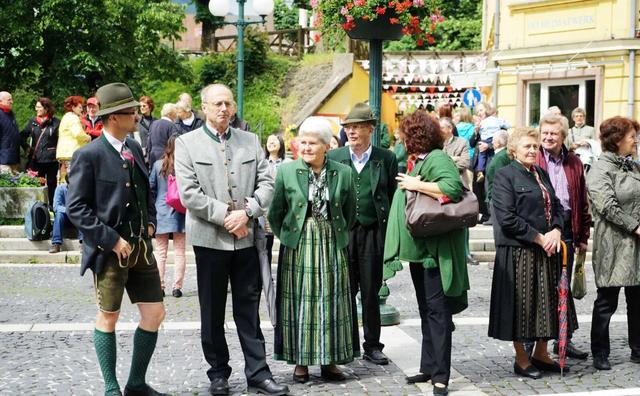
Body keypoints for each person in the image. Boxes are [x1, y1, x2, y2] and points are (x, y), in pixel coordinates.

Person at [174, 84, 288, 396]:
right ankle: (218, 373)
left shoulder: (250, 141)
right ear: (204, 107)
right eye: (217, 104)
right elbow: (189, 194)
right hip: (210, 239)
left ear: (234, 107)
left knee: (249, 309)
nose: (224, 109)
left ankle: (258, 372)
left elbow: (268, 181)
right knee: (211, 310)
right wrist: (228, 215)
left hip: (247, 239)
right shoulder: (186, 143)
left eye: (228, 103)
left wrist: (248, 211)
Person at [66, 82, 167, 396]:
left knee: (155, 313)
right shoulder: (88, 155)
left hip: (142, 248)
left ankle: (136, 383)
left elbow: (145, 190)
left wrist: (150, 222)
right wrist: (111, 240)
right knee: (109, 316)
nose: (137, 115)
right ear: (112, 118)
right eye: (131, 111)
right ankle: (111, 387)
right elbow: (76, 208)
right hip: (109, 251)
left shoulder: (134, 147)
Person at [384, 110, 469, 395]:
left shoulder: (437, 158)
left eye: (404, 133)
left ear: (415, 135)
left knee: (437, 313)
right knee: (426, 311)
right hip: (424, 250)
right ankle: (429, 365)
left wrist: (415, 184)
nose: (400, 138)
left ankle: (441, 376)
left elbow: (453, 188)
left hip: (436, 251)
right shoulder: (419, 159)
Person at [269, 116, 359, 383]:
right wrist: (289, 234)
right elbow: (275, 212)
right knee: (300, 300)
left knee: (332, 299)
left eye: (312, 143)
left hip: (332, 242)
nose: (305, 148)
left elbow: (350, 212)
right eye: (302, 142)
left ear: (326, 146)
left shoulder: (343, 172)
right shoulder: (286, 171)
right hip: (299, 244)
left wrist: (334, 230)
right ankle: (301, 362)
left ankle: (330, 360)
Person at [488, 127, 578, 380]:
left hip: (545, 251)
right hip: (519, 253)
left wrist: (557, 231)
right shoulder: (505, 175)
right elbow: (506, 218)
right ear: (513, 149)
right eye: (526, 146)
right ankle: (522, 358)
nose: (532, 150)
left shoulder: (540, 173)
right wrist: (539, 237)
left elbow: (559, 206)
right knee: (521, 307)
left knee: (545, 306)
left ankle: (541, 353)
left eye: (534, 146)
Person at [327, 102, 398, 366]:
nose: (352, 132)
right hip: (343, 233)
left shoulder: (386, 158)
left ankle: (372, 346)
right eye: (348, 128)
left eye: (357, 127)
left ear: (371, 129)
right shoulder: (335, 157)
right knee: (344, 291)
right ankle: (346, 345)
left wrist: (391, 235)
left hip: (373, 232)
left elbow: (392, 196)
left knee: (371, 292)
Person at [535, 113, 591, 360]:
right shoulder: (533, 158)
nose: (548, 137)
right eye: (544, 132)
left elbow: (582, 201)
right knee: (540, 288)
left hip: (567, 229)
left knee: (563, 287)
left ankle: (563, 340)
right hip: (541, 231)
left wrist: (583, 236)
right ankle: (536, 344)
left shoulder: (574, 163)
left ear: (563, 136)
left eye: (553, 133)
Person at [586, 116, 640, 371]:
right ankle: (599, 351)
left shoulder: (632, 167)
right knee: (607, 301)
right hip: (613, 244)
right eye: (632, 136)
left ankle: (638, 349)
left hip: (636, 245)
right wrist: (635, 225)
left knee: (638, 299)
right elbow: (606, 205)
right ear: (617, 140)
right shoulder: (600, 169)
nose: (636, 140)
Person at [149, 135, 186, 298]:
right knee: (179, 251)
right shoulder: (184, 165)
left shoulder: (158, 165)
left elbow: (151, 188)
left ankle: (159, 285)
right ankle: (177, 287)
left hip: (161, 210)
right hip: (180, 210)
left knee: (161, 251)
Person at [440, 117, 476, 266]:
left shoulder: (461, 142)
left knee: (463, 220)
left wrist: (446, 160)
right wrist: (452, 159)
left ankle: (465, 252)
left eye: (441, 128)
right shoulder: (435, 143)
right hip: (440, 186)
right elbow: (435, 162)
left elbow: (465, 162)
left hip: (459, 186)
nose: (439, 130)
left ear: (449, 129)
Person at [21, 97, 60, 205]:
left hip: (52, 159)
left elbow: (61, 139)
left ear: (46, 108)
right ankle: (39, 208)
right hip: (36, 159)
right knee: (37, 185)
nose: (36, 109)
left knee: (52, 184)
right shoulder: (32, 122)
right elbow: (22, 136)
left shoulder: (56, 122)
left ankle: (53, 207)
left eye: (39, 107)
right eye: (36, 107)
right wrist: (27, 148)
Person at [263, 133, 291, 265]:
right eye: (269, 141)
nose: (271, 142)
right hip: (266, 209)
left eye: (274, 140)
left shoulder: (288, 163)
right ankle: (266, 279)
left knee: (285, 245)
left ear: (281, 144)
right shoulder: (261, 163)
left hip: (284, 208)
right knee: (266, 245)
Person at [57, 96, 91, 179]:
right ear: (73, 107)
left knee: (65, 179)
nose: (81, 109)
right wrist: (88, 138)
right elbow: (78, 134)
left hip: (65, 153)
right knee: (74, 179)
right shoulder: (73, 118)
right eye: (79, 107)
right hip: (72, 153)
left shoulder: (65, 117)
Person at [475, 102, 510, 182]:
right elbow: (472, 143)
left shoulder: (498, 126)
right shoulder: (480, 123)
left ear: (487, 110)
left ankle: (480, 171)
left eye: (481, 110)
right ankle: (480, 172)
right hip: (481, 161)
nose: (479, 113)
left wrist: (488, 145)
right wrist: (476, 132)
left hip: (492, 159)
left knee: (491, 184)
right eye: (478, 112)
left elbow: (503, 143)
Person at [49, 175, 83, 253]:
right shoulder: (60, 189)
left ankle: (83, 242)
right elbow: (56, 207)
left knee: (81, 213)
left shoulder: (81, 190)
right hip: (65, 218)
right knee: (59, 214)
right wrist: (70, 210)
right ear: (67, 183)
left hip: (77, 218)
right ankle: (56, 243)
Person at [484, 130, 510, 224]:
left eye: (494, 140)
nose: (492, 142)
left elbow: (499, 176)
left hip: (496, 190)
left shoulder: (501, 156)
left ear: (499, 143)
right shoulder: (500, 154)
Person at [147, 103, 180, 167]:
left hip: (152, 157)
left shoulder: (153, 124)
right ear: (170, 114)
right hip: (165, 159)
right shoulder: (171, 126)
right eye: (175, 113)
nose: (176, 115)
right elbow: (174, 145)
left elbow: (149, 144)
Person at [0, 91, 20, 173]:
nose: (12, 102)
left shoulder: (10, 114)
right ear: (0, 101)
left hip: (13, 158)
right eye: (9, 100)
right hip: (3, 160)